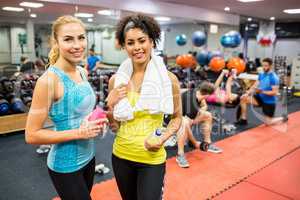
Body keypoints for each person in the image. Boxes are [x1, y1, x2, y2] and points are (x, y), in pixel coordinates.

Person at [25, 15, 107, 200]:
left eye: (81, 37)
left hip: (89, 157)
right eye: (68, 39)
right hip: (65, 165)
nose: (77, 45)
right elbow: (31, 135)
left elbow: (80, 113)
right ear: (56, 42)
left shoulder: (82, 72)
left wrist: (98, 120)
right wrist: (80, 133)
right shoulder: (48, 81)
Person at [106, 14, 182, 200]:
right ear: (124, 46)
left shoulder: (169, 79)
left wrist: (163, 137)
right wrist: (110, 105)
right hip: (121, 155)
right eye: (131, 43)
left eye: (142, 40)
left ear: (152, 42)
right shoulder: (116, 81)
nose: (137, 47)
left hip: (151, 158)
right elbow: (115, 127)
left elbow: (177, 117)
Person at [175, 82, 223, 168]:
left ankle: (207, 143)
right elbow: (187, 124)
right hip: (172, 120)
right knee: (185, 122)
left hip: (184, 117)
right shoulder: (192, 103)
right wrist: (195, 143)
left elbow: (204, 106)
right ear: (207, 95)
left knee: (208, 115)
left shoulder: (197, 93)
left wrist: (201, 111)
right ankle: (180, 154)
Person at [236, 57, 288, 125]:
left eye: (266, 66)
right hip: (259, 98)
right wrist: (247, 93)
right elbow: (255, 85)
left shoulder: (274, 78)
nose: (264, 67)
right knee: (243, 98)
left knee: (268, 123)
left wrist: (261, 92)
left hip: (269, 101)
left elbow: (274, 92)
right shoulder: (261, 74)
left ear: (270, 66)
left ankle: (283, 118)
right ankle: (243, 119)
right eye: (263, 65)